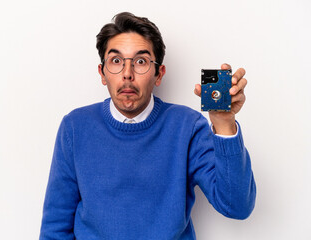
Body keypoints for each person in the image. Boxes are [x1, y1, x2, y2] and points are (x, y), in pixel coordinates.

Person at [39, 12, 256, 240]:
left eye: (140, 62)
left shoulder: (187, 126)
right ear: (103, 74)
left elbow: (237, 206)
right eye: (116, 61)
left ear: (158, 74)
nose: (127, 74)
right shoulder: (75, 127)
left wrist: (224, 124)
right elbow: (55, 226)